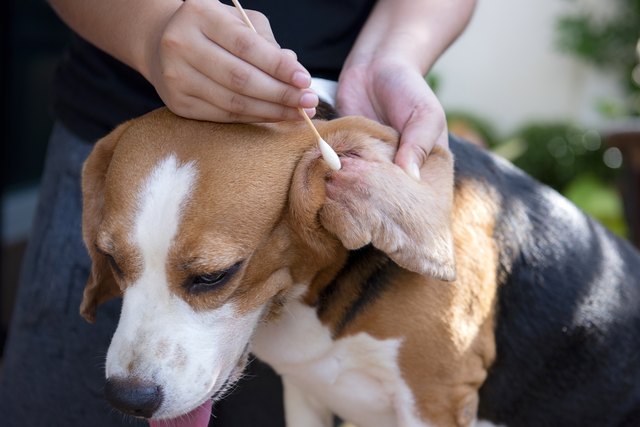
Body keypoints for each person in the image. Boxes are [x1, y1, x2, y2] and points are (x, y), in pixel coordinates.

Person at [0, 0, 476, 425]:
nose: (130, 373)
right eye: (120, 262)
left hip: (317, 140)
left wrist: (389, 55)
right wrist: (149, 32)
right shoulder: (112, 177)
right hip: (121, 134)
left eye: (207, 276)